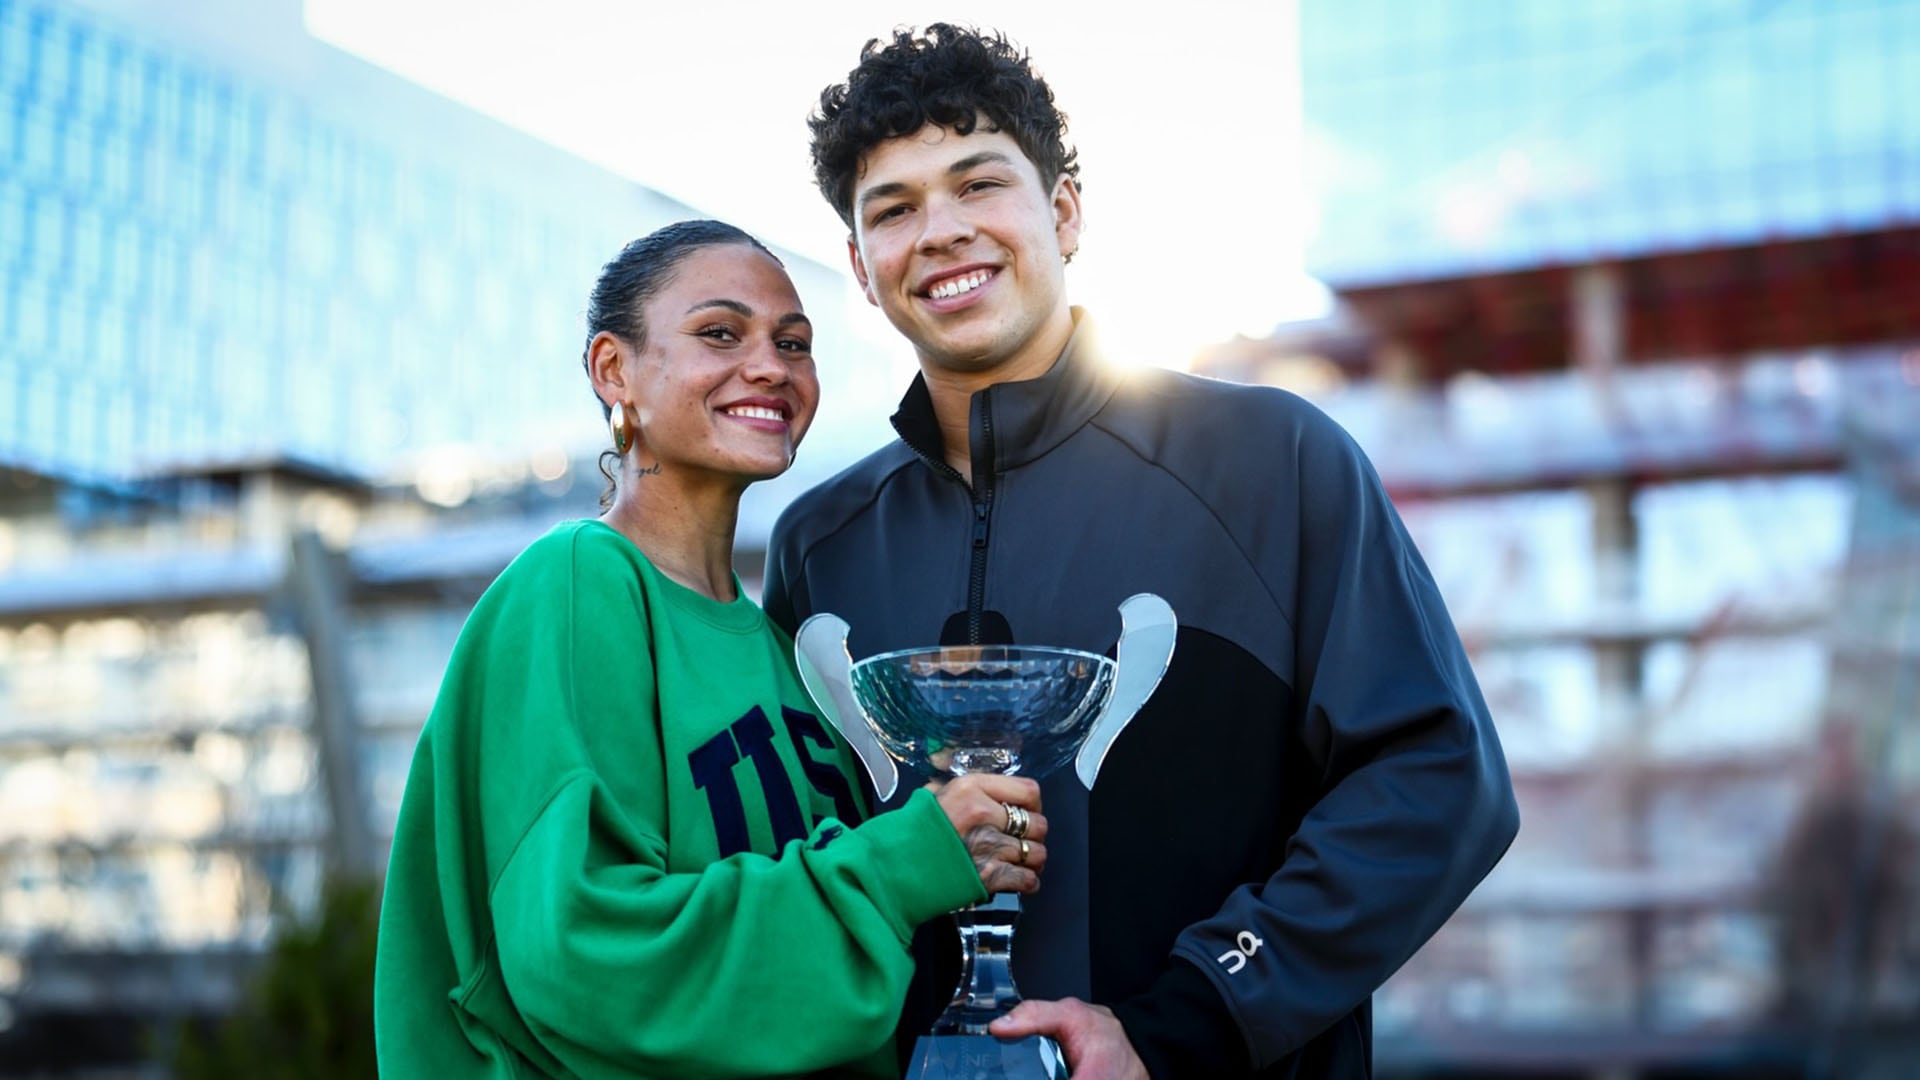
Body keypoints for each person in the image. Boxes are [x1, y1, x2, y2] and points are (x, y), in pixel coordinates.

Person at [763, 26, 1522, 1079]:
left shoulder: (1271, 460)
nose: (940, 231)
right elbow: (794, 854)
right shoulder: (819, 545)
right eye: (893, 209)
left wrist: (1188, 1023)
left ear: (1065, 212)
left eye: (979, 184)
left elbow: (1438, 780)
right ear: (860, 265)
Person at [373, 219, 1054, 1078]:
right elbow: (584, 953)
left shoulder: (786, 653)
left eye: (793, 343)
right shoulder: (576, 582)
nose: (770, 366)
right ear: (613, 369)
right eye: (721, 333)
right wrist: (903, 864)